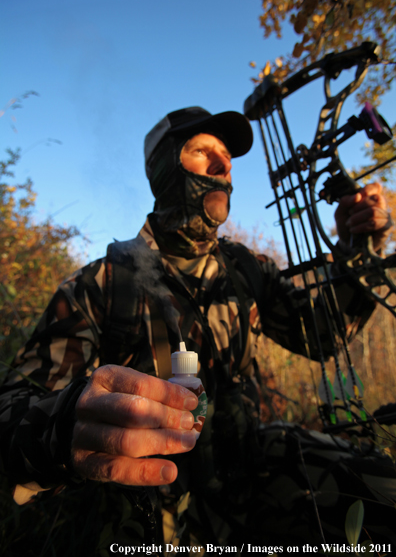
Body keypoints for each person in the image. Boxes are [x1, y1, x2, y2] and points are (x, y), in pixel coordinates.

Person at [0, 107, 394, 553]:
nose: (223, 166)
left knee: (384, 490)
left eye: (227, 158)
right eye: (203, 152)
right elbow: (12, 409)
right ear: (167, 167)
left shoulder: (247, 268)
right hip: (152, 492)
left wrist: (355, 248)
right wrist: (69, 421)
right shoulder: (101, 285)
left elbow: (320, 333)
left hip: (252, 468)